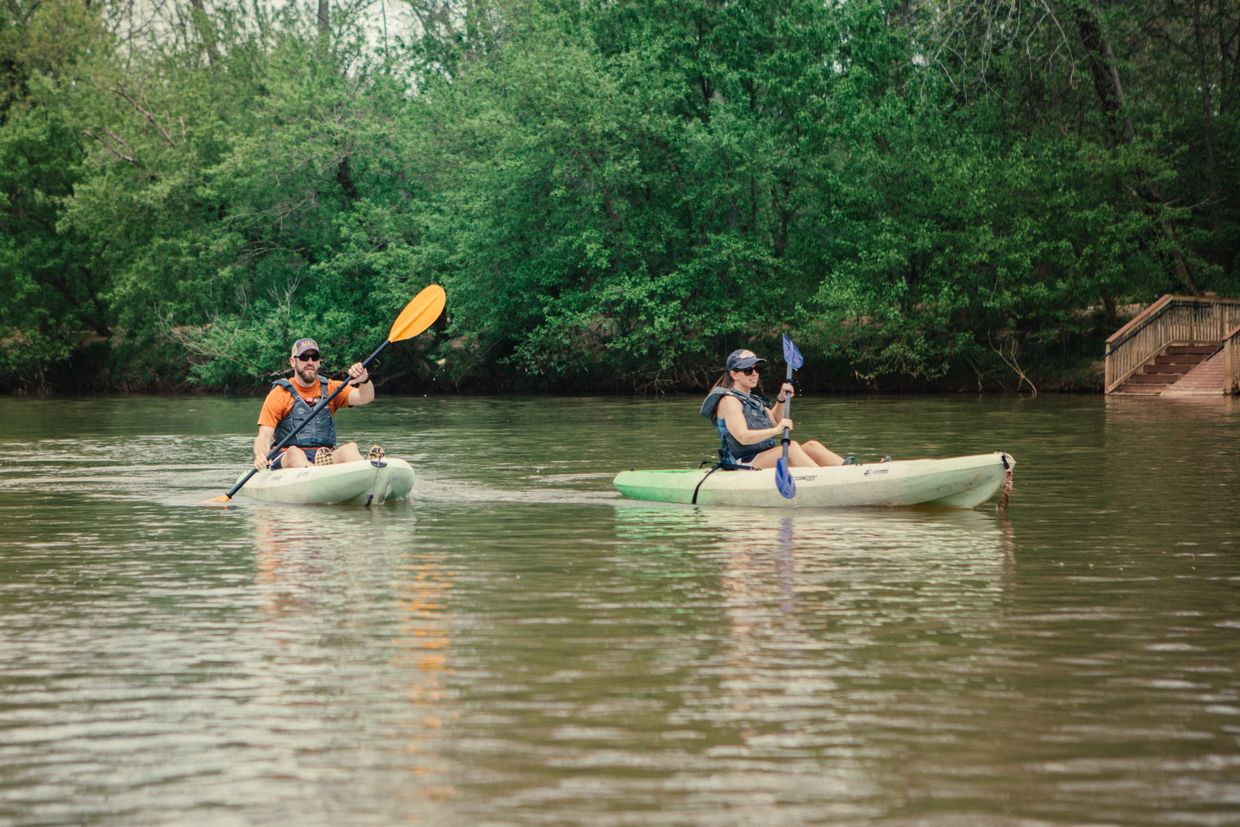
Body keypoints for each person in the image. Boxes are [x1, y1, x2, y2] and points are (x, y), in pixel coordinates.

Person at [699, 348, 847, 469]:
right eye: (748, 370)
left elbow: (776, 421)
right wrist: (777, 431)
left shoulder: (754, 399)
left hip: (763, 456)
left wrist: (781, 399)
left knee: (812, 446)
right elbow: (743, 437)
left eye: (756, 369)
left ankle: (851, 470)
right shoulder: (729, 401)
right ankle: (823, 480)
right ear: (734, 374)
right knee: (791, 448)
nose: (755, 373)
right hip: (741, 462)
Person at [252, 337, 377, 471]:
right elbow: (264, 436)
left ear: (319, 362)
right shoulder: (279, 394)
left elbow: (366, 397)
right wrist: (260, 455)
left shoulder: (331, 388)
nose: (310, 362)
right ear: (293, 361)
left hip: (324, 455)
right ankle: (315, 473)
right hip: (287, 458)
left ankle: (367, 472)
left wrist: (364, 380)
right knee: (295, 452)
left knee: (350, 448)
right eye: (304, 357)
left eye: (314, 357)